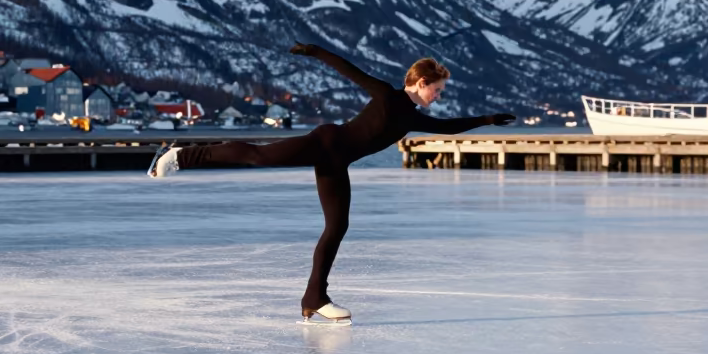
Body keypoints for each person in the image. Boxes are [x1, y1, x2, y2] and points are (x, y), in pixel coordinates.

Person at [149, 42, 515, 323]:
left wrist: (487, 118)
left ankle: (314, 299)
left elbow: (448, 126)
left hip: (337, 162)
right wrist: (316, 52)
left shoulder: (410, 118)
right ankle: (181, 155)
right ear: (422, 83)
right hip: (325, 143)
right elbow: (350, 71)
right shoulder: (389, 96)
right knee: (258, 155)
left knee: (337, 226)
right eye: (438, 89)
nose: (439, 95)